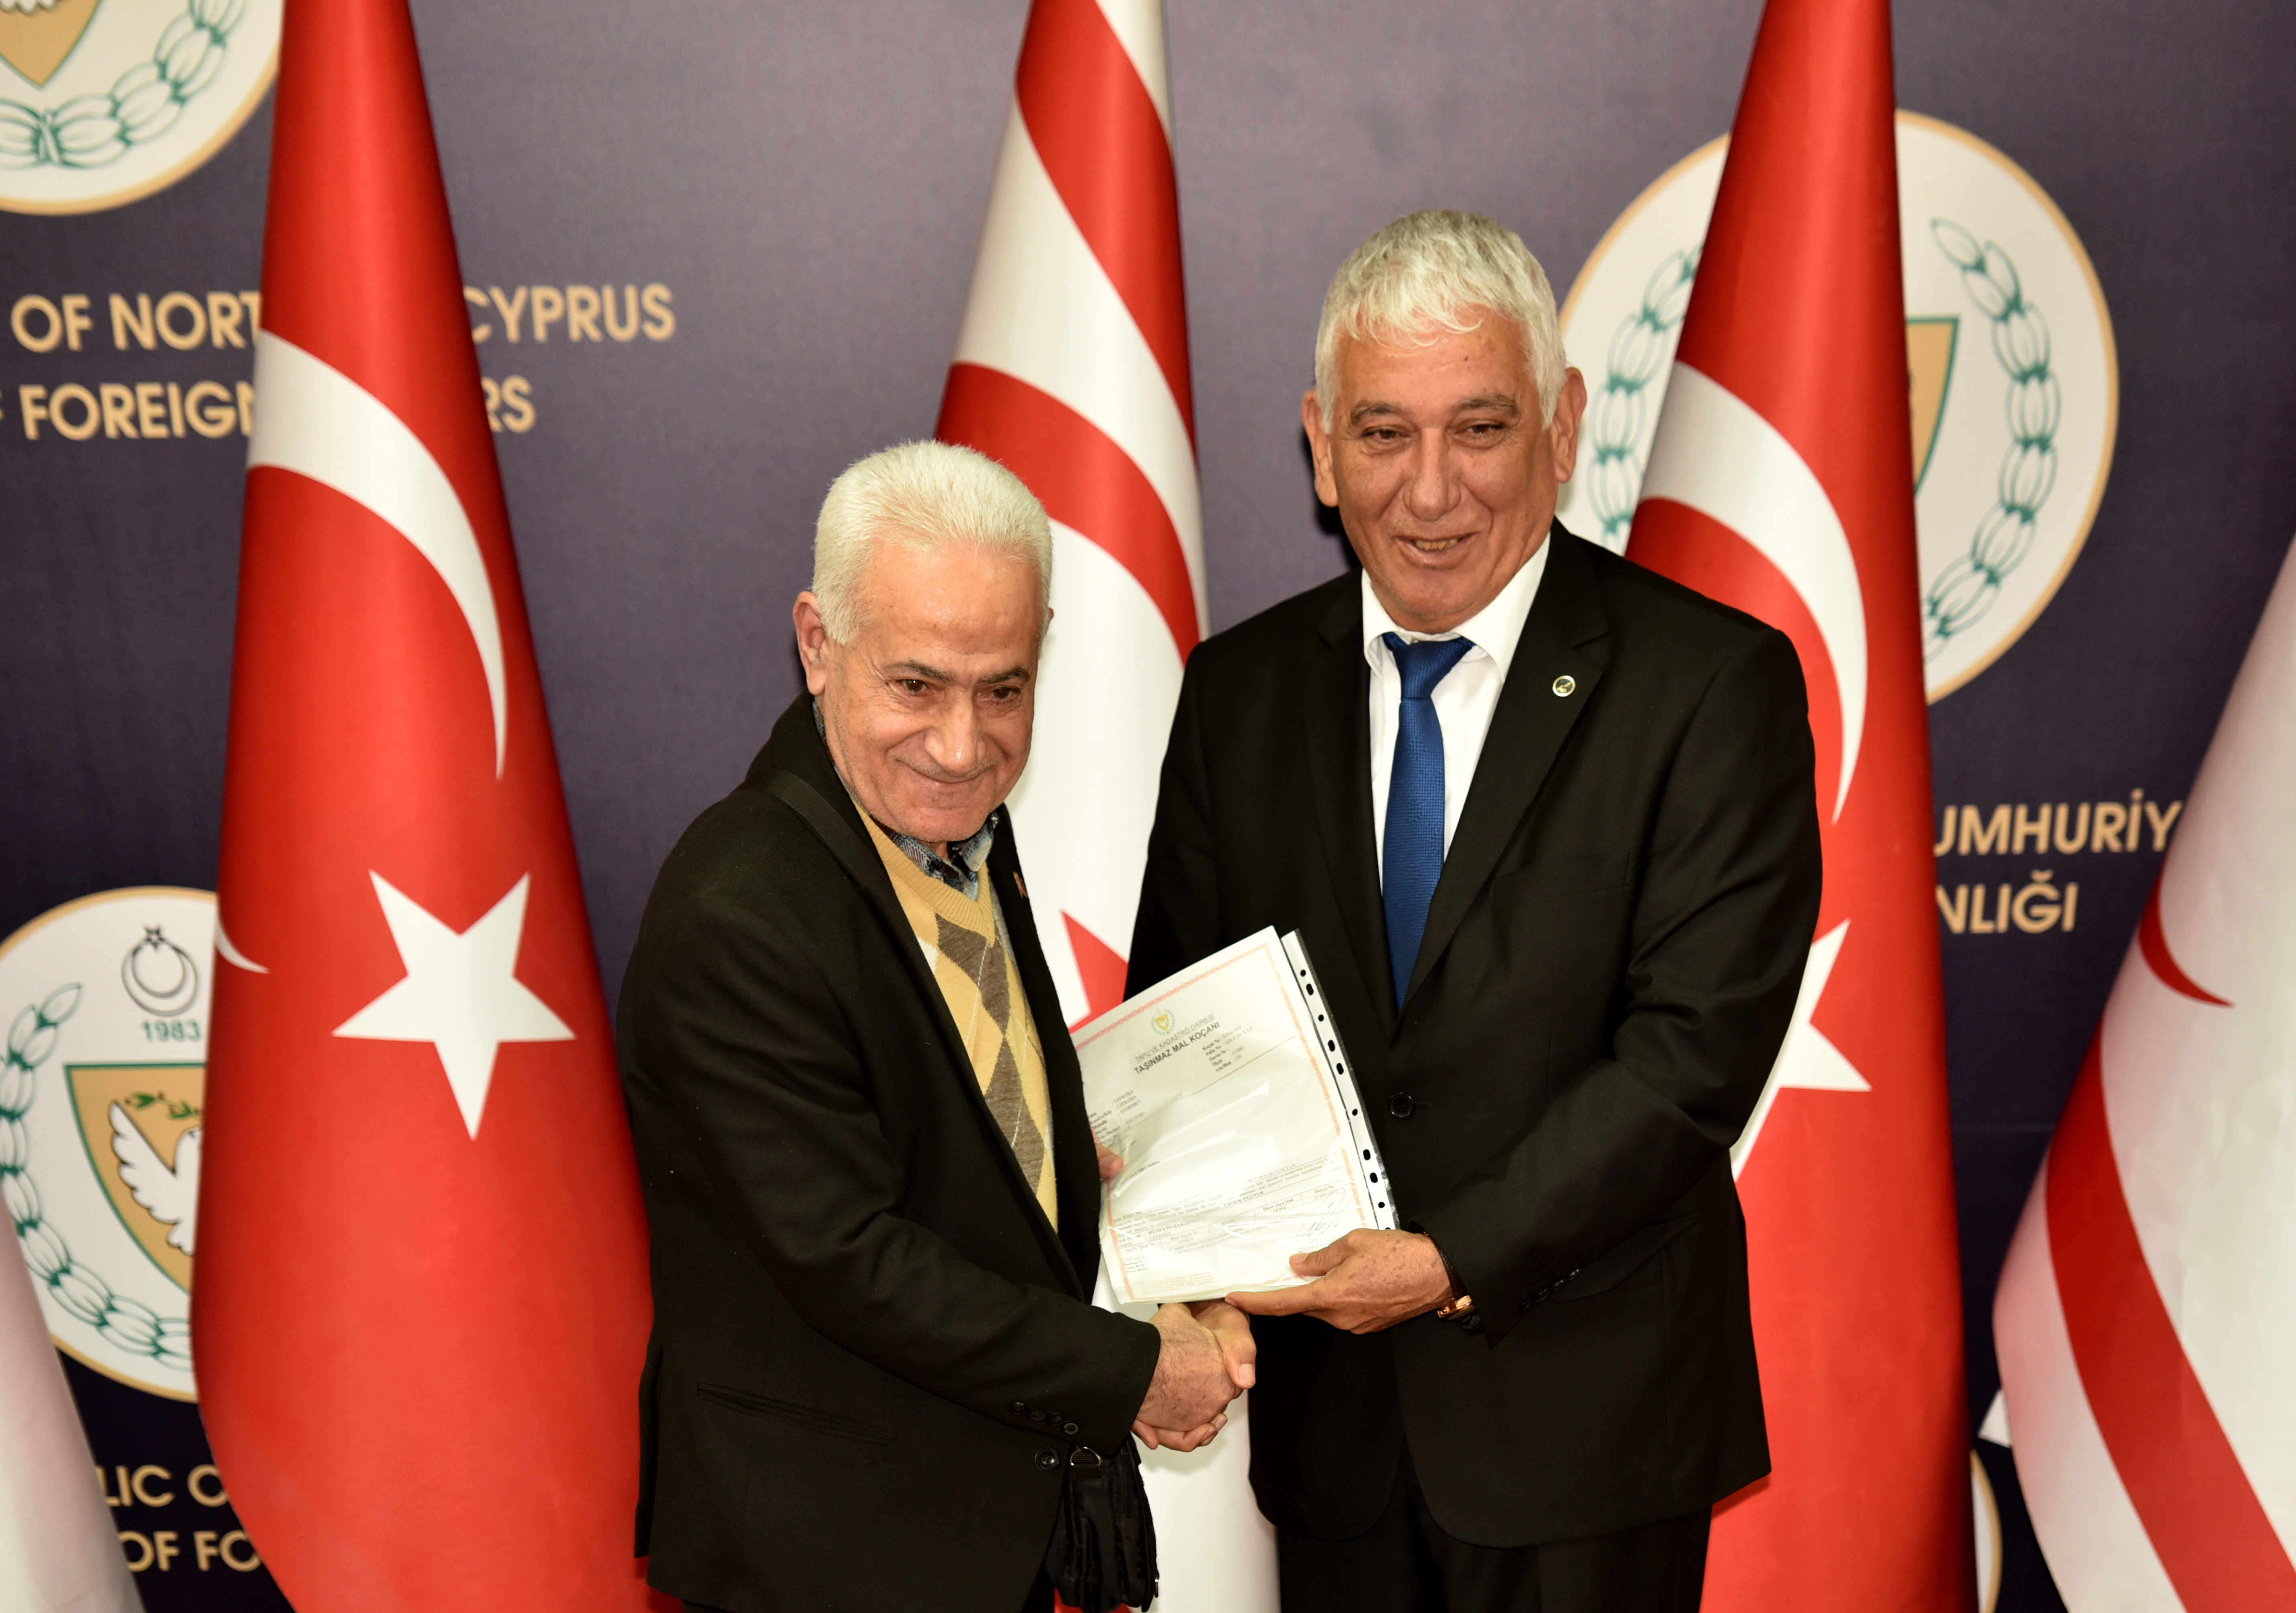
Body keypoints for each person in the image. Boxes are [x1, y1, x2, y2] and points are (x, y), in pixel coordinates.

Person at [1125, 210, 1822, 1611]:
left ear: (1562, 426)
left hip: (1590, 1435)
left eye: (1480, 428)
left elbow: (1691, 1061)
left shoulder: (1709, 686)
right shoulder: (1238, 694)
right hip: (1335, 1440)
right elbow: (1184, 1028)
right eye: (1384, 434)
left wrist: (1450, 1260)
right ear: (1322, 446)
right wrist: (1183, 1273)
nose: (1430, 490)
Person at [619, 440, 1253, 1613]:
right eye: (916, 685)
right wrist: (1130, 1370)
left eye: (1003, 689)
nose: (963, 746)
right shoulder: (739, 906)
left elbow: (948, 1135)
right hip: (824, 1562)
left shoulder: (946, 834)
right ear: (819, 644)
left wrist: (1092, 1200)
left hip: (969, 1528)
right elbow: (852, 1260)